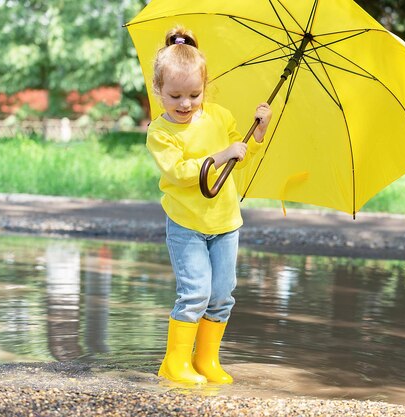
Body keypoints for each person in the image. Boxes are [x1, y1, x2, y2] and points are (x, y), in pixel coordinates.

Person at [146, 26, 272, 385]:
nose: (185, 103)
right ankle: (174, 362)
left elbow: (239, 157)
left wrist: (257, 134)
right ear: (159, 91)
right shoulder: (160, 132)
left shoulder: (220, 117)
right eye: (175, 96)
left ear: (205, 87)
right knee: (195, 293)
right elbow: (180, 171)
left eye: (194, 94)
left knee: (221, 295)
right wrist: (220, 154)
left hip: (225, 222)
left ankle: (206, 360)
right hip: (186, 224)